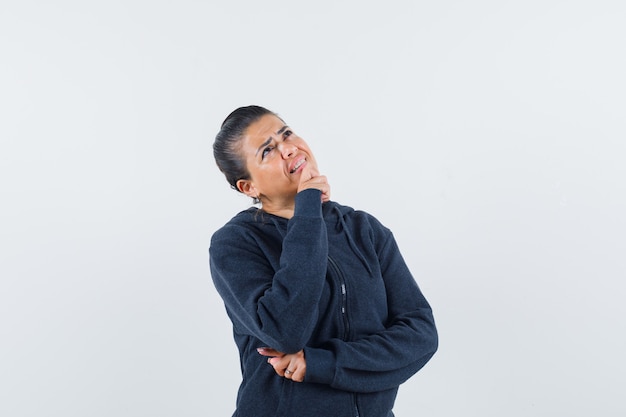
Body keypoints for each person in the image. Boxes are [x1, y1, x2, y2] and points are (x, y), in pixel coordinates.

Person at [209, 105, 438, 417]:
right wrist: (307, 207)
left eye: (286, 133)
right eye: (268, 150)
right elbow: (286, 331)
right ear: (249, 187)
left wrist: (320, 364)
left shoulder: (364, 230)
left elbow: (421, 334)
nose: (289, 148)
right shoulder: (236, 243)